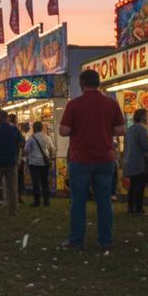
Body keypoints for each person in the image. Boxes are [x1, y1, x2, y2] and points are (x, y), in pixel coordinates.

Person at [59, 69, 125, 252]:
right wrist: (104, 130)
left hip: (80, 158)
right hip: (104, 158)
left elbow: (63, 131)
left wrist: (79, 129)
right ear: (99, 83)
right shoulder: (111, 104)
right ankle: (106, 240)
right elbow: (121, 130)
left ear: (81, 84)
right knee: (104, 201)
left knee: (78, 201)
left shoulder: (74, 105)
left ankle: (76, 239)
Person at [0, 110, 22, 216]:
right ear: (7, 118)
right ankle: (13, 210)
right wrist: (16, 154)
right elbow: (21, 143)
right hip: (11, 162)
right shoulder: (14, 129)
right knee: (12, 187)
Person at [122, 109, 148, 215]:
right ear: (142, 117)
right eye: (147, 116)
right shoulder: (142, 129)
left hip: (129, 160)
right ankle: (139, 209)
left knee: (133, 186)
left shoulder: (130, 129)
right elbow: (146, 145)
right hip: (140, 161)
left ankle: (130, 208)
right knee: (140, 185)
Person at [24, 119, 55, 207]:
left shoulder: (31, 138)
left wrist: (28, 155)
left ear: (33, 128)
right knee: (45, 182)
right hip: (45, 163)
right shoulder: (47, 137)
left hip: (34, 163)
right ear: (42, 128)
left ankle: (36, 202)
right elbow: (52, 149)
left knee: (36, 182)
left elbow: (26, 150)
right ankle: (46, 201)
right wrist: (50, 158)